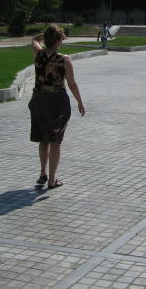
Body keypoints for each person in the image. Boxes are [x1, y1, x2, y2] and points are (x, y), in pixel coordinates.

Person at [28, 24, 85, 189]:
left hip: (38, 100)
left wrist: (48, 34)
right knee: (55, 140)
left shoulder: (38, 54)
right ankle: (52, 180)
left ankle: (42, 173)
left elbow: (34, 39)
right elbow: (72, 84)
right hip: (58, 102)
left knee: (43, 139)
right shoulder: (64, 60)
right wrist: (80, 101)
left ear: (47, 38)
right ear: (60, 40)